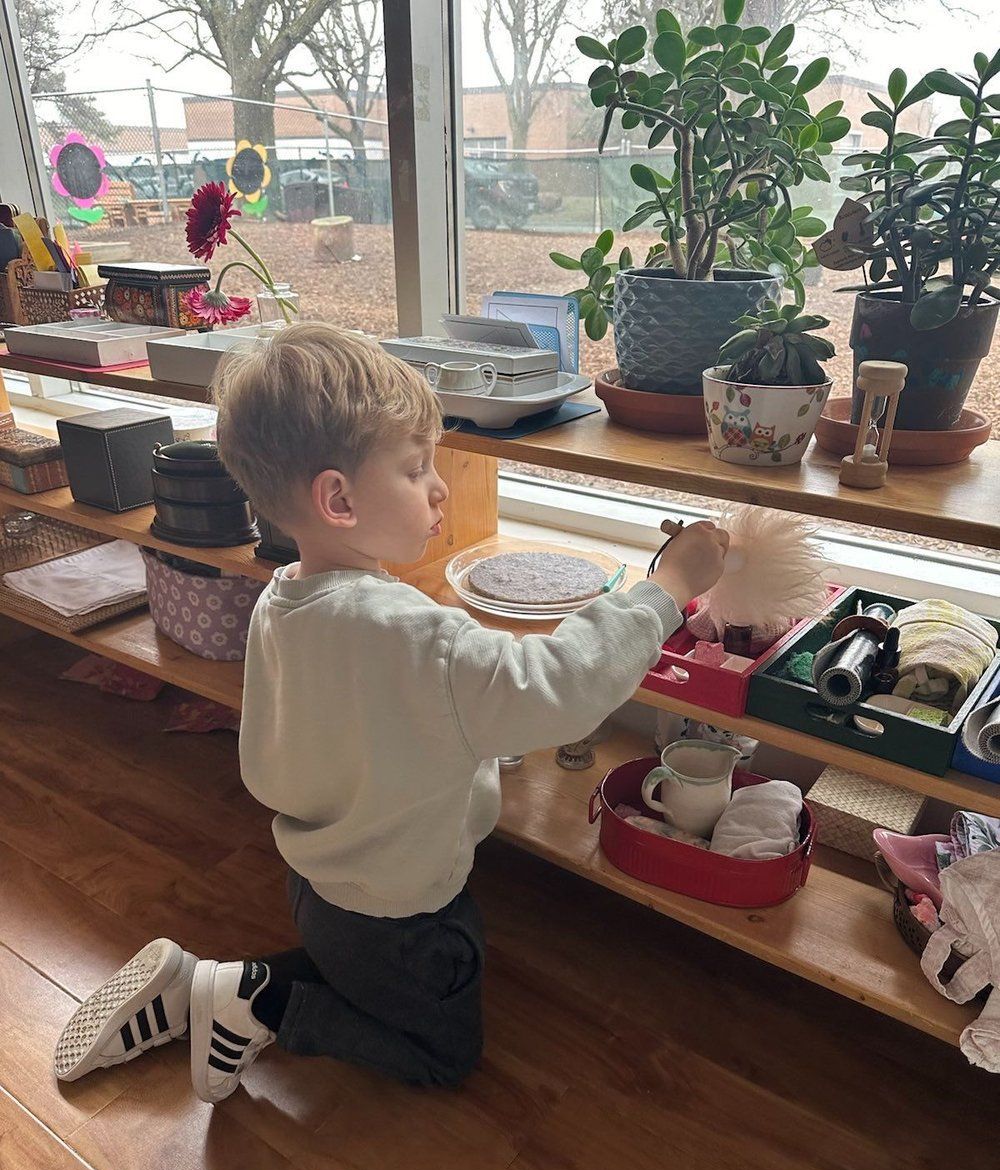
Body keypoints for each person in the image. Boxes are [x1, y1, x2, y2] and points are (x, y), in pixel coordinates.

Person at [54, 324, 728, 1103]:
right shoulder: (414, 635)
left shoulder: (282, 595)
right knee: (445, 1051)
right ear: (337, 499)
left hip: (318, 881)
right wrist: (665, 589)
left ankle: (205, 986)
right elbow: (560, 684)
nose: (440, 487)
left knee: (359, 966)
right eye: (415, 469)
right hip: (404, 915)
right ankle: (272, 1004)